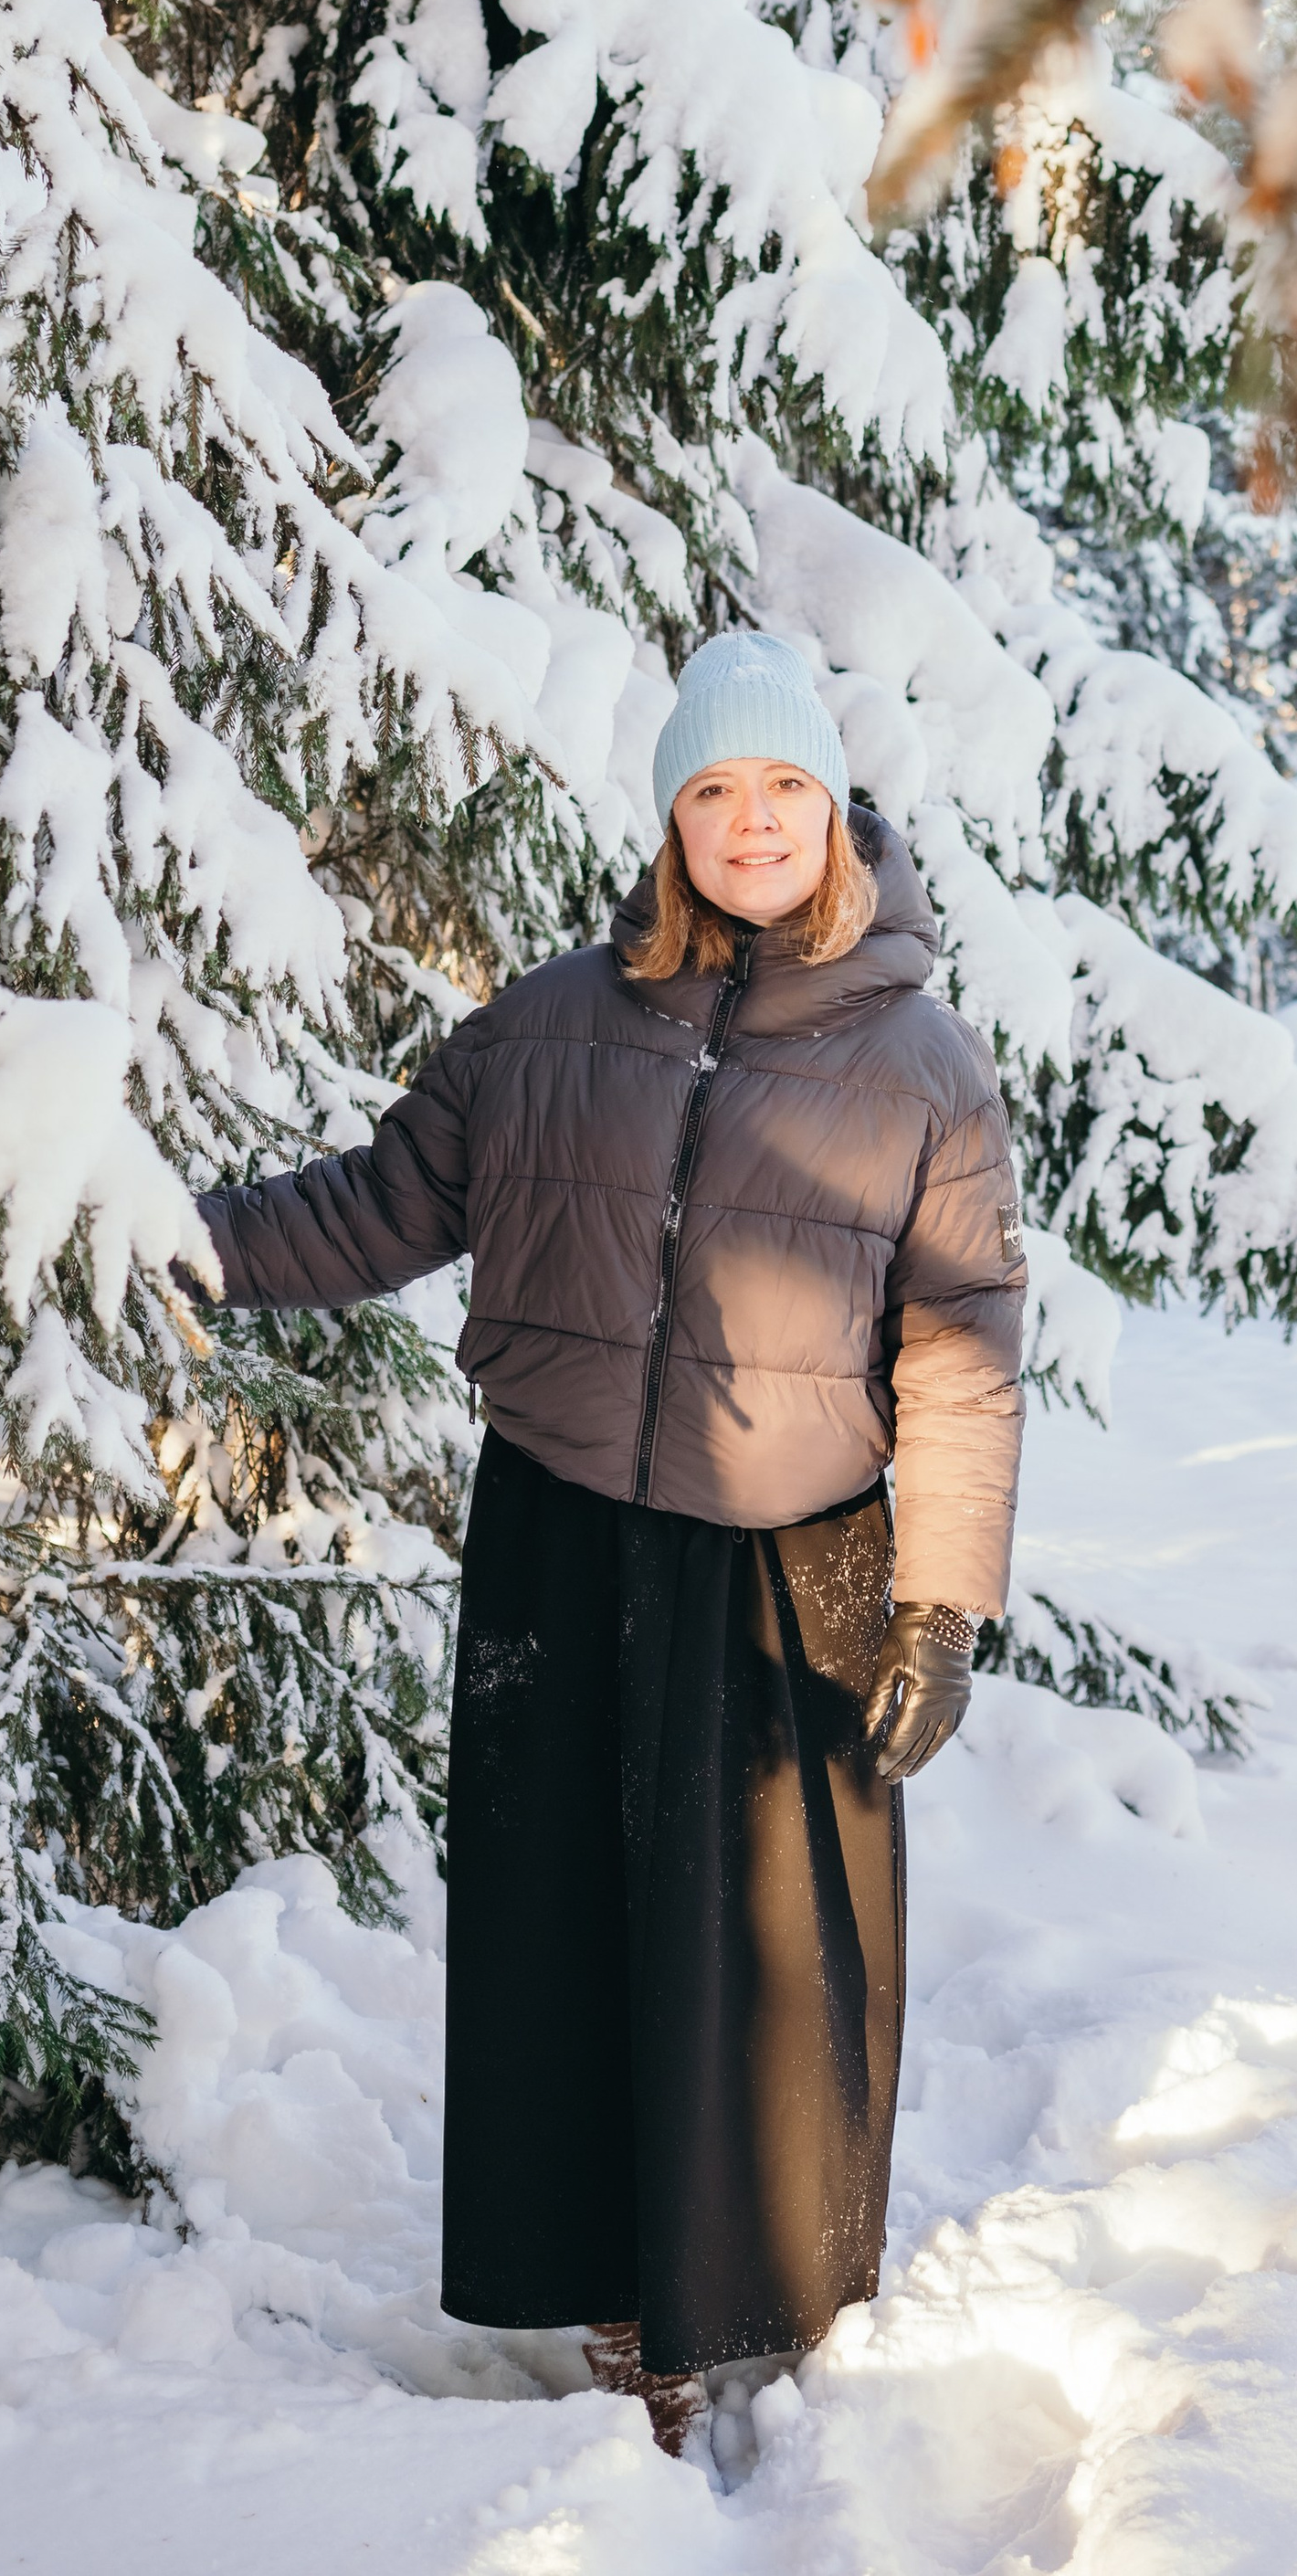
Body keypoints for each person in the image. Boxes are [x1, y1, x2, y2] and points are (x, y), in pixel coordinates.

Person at [181, 629, 1027, 2451]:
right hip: (558, 1527)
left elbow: (960, 1356)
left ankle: (757, 2295)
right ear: (668, 822)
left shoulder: (925, 1064)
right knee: (566, 1924)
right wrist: (179, 1243)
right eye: (711, 792)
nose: (747, 823)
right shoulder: (548, 1023)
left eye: (779, 789)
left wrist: (941, 1601)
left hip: (793, 1562)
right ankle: (614, 2294)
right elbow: (373, 1208)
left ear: (831, 814)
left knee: (762, 1945)